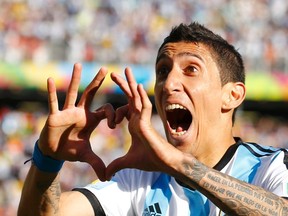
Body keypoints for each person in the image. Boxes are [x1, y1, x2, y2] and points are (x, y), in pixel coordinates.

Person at [18, 22, 288, 216]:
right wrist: (48, 160)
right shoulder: (138, 180)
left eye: (191, 69)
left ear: (232, 95)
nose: (169, 83)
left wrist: (179, 165)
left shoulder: (271, 166)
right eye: (163, 70)